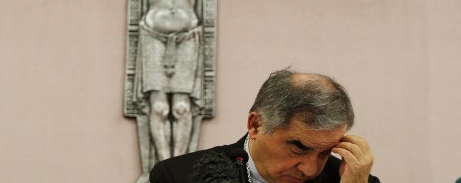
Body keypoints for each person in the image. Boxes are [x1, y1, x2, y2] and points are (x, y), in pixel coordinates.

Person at [6, 0, 341, 166]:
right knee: (156, 107)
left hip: (186, 38)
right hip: (152, 34)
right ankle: (163, 167)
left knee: (181, 108)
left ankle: (179, 167)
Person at [150, 69, 379, 183]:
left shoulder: (352, 181)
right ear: (256, 125)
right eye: (299, 147)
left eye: (326, 152)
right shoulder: (179, 177)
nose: (310, 170)